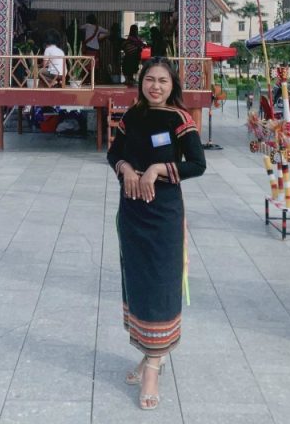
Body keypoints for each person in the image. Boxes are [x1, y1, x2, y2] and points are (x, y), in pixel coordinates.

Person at [106, 58, 206, 410]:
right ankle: (150, 353)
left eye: (163, 80)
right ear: (141, 82)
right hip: (132, 213)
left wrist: (157, 169)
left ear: (172, 85)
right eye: (150, 79)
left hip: (163, 215)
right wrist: (126, 169)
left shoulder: (179, 119)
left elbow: (197, 164)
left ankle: (152, 367)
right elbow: (113, 153)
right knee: (138, 283)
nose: (156, 86)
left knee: (161, 283)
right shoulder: (132, 116)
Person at [80, 14, 109, 83]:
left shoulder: (87, 26)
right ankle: (94, 80)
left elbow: (79, 28)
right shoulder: (98, 28)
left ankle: (86, 79)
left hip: (88, 48)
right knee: (95, 65)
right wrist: (100, 36)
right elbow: (107, 32)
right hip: (96, 49)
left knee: (86, 64)